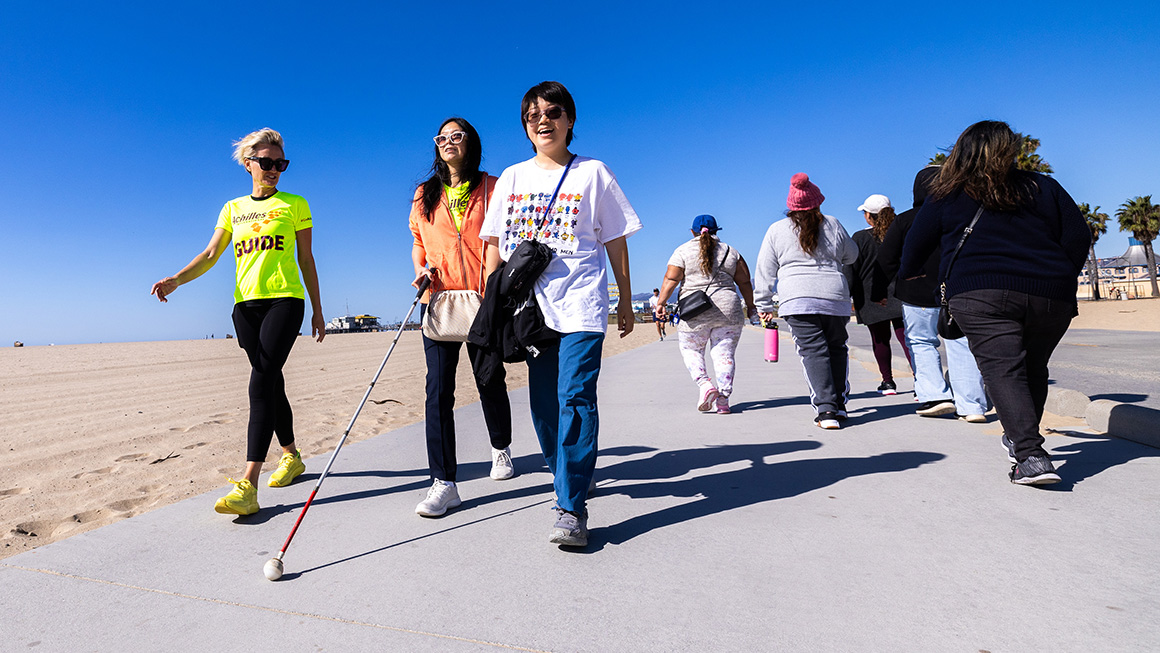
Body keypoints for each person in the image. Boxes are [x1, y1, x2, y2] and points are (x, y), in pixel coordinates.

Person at [481, 81, 641, 547]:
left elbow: (615, 239)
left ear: (570, 120)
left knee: (575, 396)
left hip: (581, 302)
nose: (543, 121)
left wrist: (624, 297)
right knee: (543, 404)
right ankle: (567, 473)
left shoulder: (593, 172)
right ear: (525, 127)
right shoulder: (511, 178)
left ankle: (570, 508)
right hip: (528, 311)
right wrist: (493, 302)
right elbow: (494, 245)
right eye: (533, 115)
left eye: (553, 112)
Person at [900, 120, 1090, 485]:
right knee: (1033, 368)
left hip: (980, 293)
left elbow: (916, 244)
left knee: (1004, 370)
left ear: (962, 151)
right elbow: (1078, 234)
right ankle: (1021, 440)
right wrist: (1060, 274)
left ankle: (1030, 456)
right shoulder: (1043, 186)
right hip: (1052, 295)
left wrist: (910, 272)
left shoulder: (948, 193)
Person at [151, 128, 324, 515]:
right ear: (248, 164)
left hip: (285, 300)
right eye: (266, 162)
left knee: (260, 382)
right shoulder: (232, 208)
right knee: (272, 382)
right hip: (245, 307)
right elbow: (211, 254)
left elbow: (306, 258)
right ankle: (291, 455)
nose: (274, 169)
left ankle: (248, 485)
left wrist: (317, 308)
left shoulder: (295, 204)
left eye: (281, 163)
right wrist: (177, 279)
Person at [408, 117, 514, 518]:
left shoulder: (492, 186)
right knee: (437, 391)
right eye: (442, 138)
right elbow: (418, 242)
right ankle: (443, 483)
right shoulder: (425, 193)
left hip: (484, 299)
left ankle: (501, 447)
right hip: (438, 301)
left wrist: (492, 286)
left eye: (457, 136)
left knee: (489, 379)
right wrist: (421, 269)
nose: (448, 142)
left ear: (471, 143)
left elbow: (501, 237)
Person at [879, 167, 990, 422]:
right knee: (961, 344)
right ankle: (972, 406)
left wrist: (879, 291)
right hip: (956, 290)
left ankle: (936, 396)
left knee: (921, 342)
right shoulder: (963, 216)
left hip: (916, 294)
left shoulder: (906, 220)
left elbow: (886, 259)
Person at [755, 174, 858, 429]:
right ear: (818, 202)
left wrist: (763, 304)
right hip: (834, 296)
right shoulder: (833, 224)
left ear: (791, 206)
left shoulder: (777, 230)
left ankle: (826, 410)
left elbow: (765, 270)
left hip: (797, 298)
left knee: (813, 352)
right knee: (837, 348)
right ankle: (839, 405)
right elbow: (852, 255)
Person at [655, 215, 757, 414]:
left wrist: (661, 303)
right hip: (728, 310)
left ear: (692, 231)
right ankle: (723, 400)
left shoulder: (682, 251)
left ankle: (704, 384)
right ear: (716, 231)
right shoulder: (730, 251)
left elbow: (671, 279)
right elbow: (744, 282)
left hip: (695, 310)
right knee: (724, 354)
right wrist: (751, 306)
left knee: (691, 350)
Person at [844, 194, 913, 395]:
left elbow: (851, 269)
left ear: (869, 216)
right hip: (902, 293)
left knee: (880, 340)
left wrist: (846, 295)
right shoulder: (902, 234)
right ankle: (921, 382)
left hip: (871, 296)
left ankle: (888, 382)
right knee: (908, 340)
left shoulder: (860, 238)